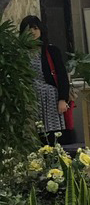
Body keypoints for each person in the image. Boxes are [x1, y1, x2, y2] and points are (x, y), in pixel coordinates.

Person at [18, 15, 72, 144]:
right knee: (31, 135)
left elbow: (62, 75)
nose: (32, 32)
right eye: (28, 29)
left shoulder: (51, 51)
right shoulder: (18, 53)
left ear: (41, 30)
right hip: (29, 99)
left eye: (35, 28)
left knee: (52, 137)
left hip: (50, 99)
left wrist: (62, 99)